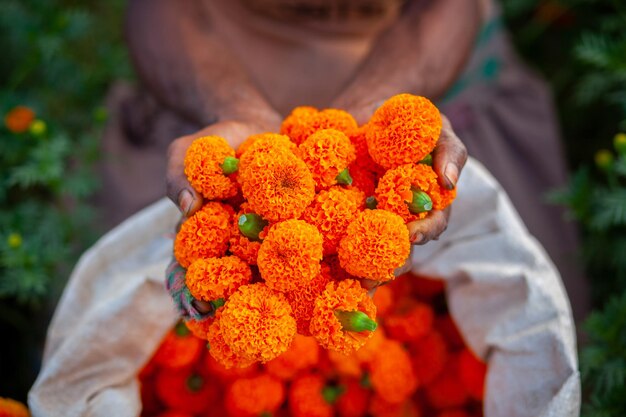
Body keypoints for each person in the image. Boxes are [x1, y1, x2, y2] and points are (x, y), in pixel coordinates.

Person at [96, 0, 587, 319]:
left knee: (522, 308)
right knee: (139, 311)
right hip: (208, 90)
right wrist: (236, 109)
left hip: (432, 69)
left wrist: (383, 110)